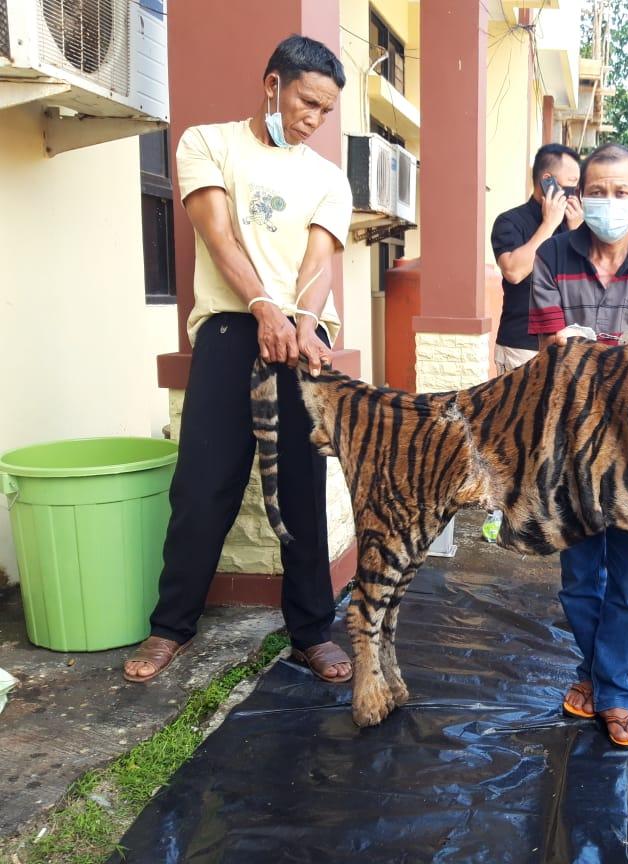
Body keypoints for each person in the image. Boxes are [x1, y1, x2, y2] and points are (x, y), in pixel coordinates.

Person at [123, 35, 354, 685]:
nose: (312, 118)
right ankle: (172, 627)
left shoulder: (326, 178)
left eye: (326, 111)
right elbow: (215, 232)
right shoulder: (208, 144)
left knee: (304, 494)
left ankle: (311, 631)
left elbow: (318, 264)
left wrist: (304, 325)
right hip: (231, 330)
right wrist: (262, 308)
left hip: (301, 345)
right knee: (203, 486)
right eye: (306, 101)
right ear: (272, 84)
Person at [530, 142, 628, 748]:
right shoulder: (552, 256)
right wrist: (570, 344)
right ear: (578, 195)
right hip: (569, 439)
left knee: (627, 575)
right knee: (577, 575)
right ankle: (602, 676)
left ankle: (611, 692)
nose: (608, 202)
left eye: (621, 192)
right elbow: (549, 347)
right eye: (596, 191)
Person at [490, 144, 583, 373]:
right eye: (571, 184)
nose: (575, 193)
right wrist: (549, 224)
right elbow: (513, 271)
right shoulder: (510, 221)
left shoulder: (574, 224)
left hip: (566, 343)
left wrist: (578, 233)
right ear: (547, 181)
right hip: (522, 346)